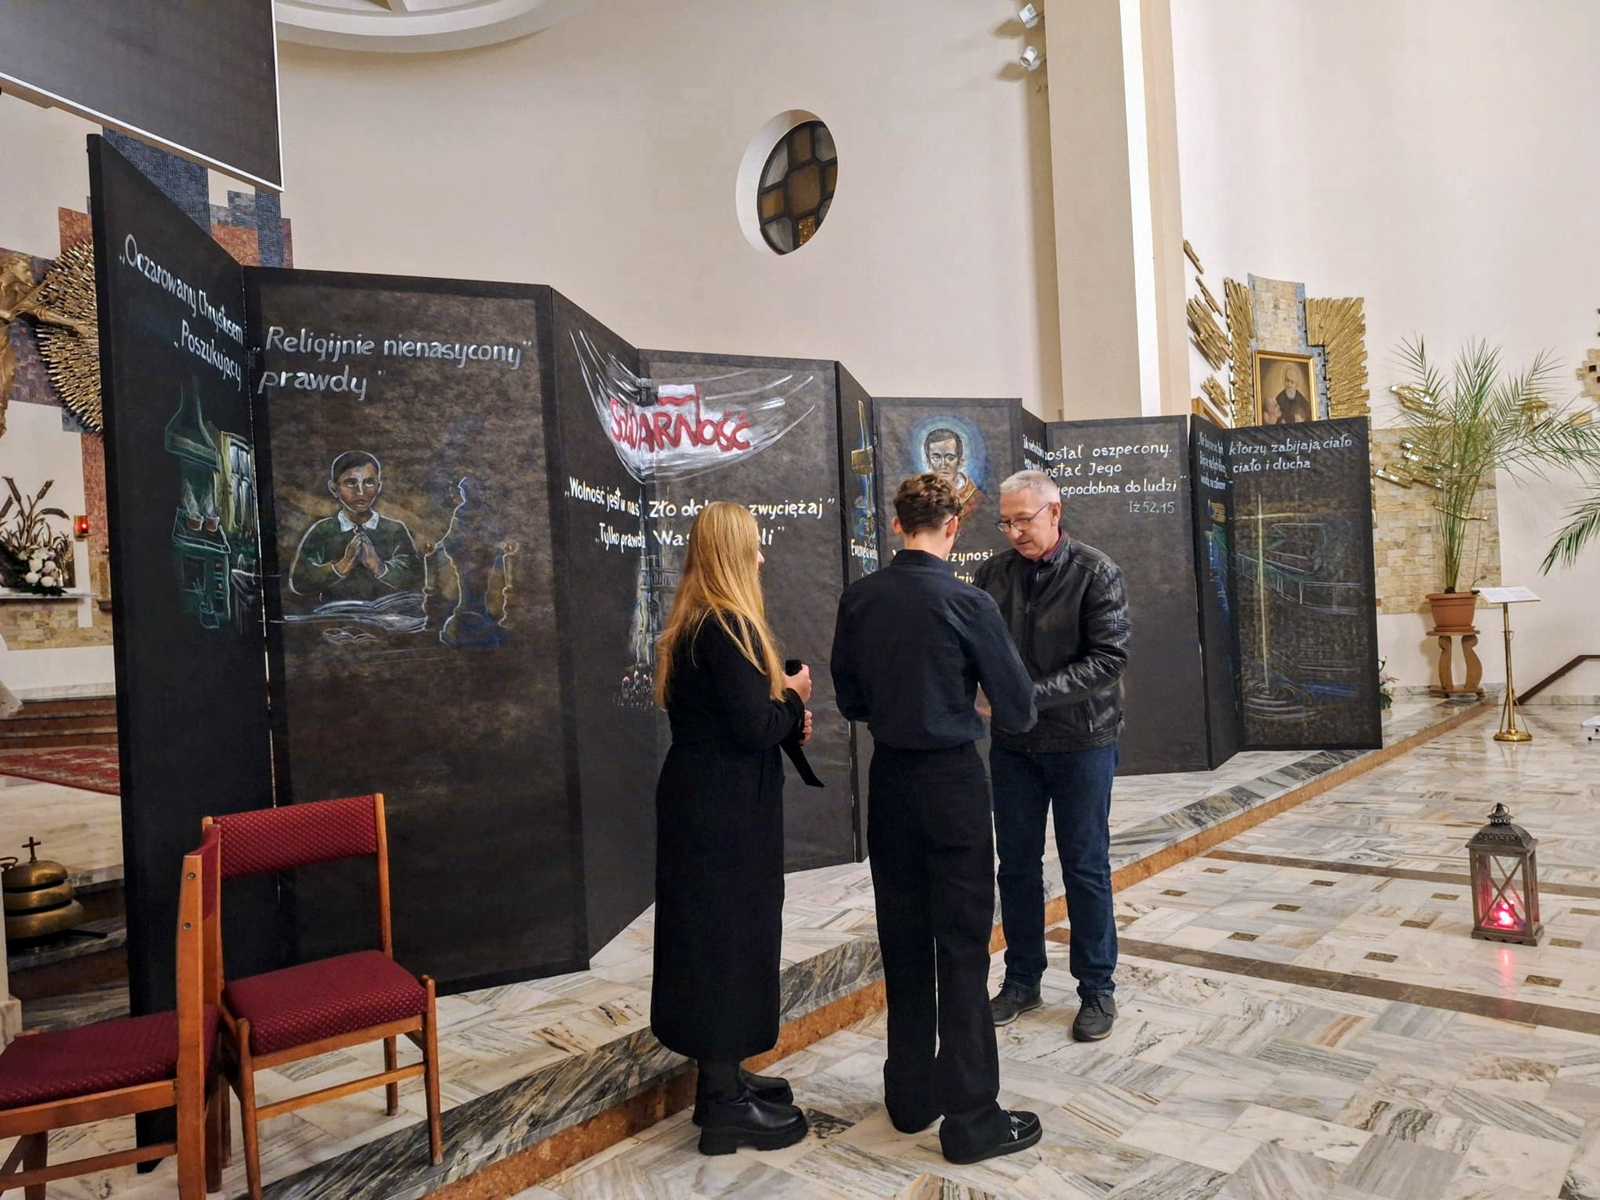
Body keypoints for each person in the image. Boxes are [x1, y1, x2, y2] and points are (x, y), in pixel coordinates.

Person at [831, 473, 1042, 1166]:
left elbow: (852, 701)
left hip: (890, 780)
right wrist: (964, 701)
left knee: (902, 938)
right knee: (960, 946)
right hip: (951, 783)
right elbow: (1019, 708)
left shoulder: (860, 598)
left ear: (897, 524)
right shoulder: (968, 601)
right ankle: (972, 1116)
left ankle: (910, 1093)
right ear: (953, 527)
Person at [650, 501, 815, 1157]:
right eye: (754, 547)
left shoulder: (694, 622)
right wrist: (795, 697)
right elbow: (753, 728)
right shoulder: (728, 624)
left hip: (703, 800)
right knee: (728, 939)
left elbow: (735, 717)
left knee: (712, 935)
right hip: (725, 809)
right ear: (732, 553)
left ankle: (723, 1078)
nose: (762, 558)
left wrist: (780, 707)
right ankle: (724, 1107)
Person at [975, 470, 1130, 1041]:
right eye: (1006, 522)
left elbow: (1109, 659)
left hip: (1082, 742)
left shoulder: (1096, 572)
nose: (1015, 532)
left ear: (1055, 513)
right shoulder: (992, 574)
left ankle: (1096, 989)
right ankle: (1022, 980)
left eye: (1024, 519)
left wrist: (1024, 697)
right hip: (1014, 746)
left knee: (1085, 865)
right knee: (1015, 865)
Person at [288, 451, 423, 605]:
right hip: (335, 614)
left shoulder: (394, 530)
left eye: (369, 482)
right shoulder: (323, 530)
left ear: (378, 487)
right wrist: (341, 566)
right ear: (334, 488)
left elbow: (416, 578)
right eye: (351, 483)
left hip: (387, 614)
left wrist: (378, 567)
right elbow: (299, 581)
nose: (360, 491)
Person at [922, 428, 985, 517]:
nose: (943, 464)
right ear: (928, 462)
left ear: (961, 462)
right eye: (936, 457)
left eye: (950, 457)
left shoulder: (977, 500)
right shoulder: (919, 497)